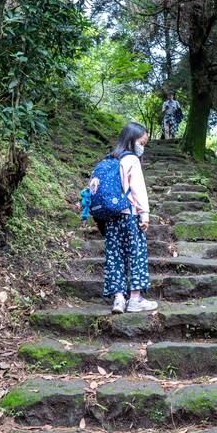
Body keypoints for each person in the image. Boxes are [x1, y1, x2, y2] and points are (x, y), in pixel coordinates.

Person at [88, 122, 157, 314]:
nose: (142, 146)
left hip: (110, 217)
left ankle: (118, 298)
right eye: (142, 142)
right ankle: (135, 299)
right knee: (136, 253)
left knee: (114, 255)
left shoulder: (108, 160)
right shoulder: (132, 160)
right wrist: (145, 214)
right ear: (132, 140)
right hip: (129, 214)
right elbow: (138, 189)